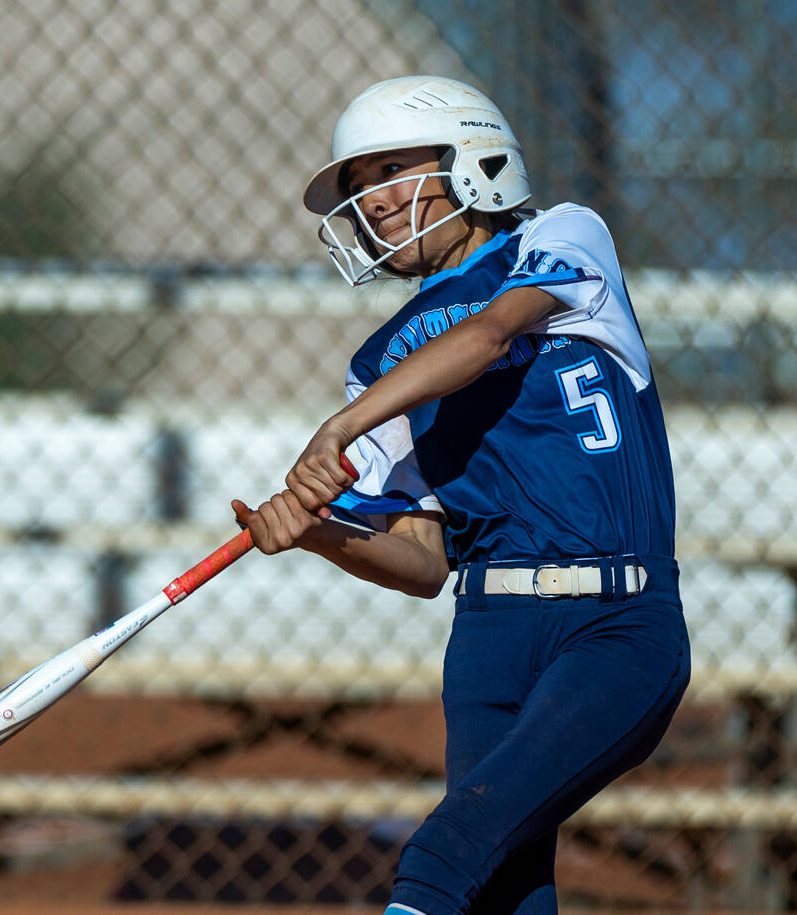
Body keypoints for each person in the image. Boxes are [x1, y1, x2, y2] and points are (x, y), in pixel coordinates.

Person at [231, 75, 690, 915]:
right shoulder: (380, 363)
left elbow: (486, 334)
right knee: (504, 890)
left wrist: (338, 428)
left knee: (446, 853)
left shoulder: (560, 237)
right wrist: (316, 531)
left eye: (391, 171)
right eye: (359, 188)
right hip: (486, 638)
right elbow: (423, 560)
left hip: (614, 622)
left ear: (473, 160)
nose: (372, 202)